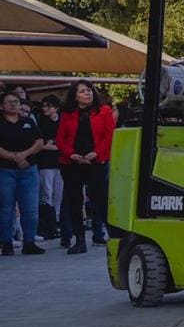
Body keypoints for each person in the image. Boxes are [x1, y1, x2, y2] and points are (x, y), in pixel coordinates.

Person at [56, 80, 116, 254]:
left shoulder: (104, 111)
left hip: (96, 161)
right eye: (82, 91)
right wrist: (71, 154)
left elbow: (109, 136)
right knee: (74, 201)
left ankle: (112, 236)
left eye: (89, 90)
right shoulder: (67, 114)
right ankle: (79, 240)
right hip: (71, 162)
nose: (87, 93)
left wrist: (95, 153)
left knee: (100, 199)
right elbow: (60, 139)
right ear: (75, 95)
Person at [0, 91, 45, 255]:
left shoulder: (28, 122)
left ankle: (29, 242)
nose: (13, 104)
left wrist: (24, 155)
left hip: (28, 170)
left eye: (16, 101)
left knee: (31, 208)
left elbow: (39, 142)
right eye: (9, 101)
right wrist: (14, 157)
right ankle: (6, 243)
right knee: (6, 209)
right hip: (5, 171)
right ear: (2, 106)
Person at [35, 96, 66, 244]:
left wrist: (54, 144)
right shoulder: (40, 121)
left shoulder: (62, 120)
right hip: (45, 164)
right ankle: (48, 223)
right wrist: (55, 145)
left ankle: (58, 222)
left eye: (48, 106)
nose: (45, 108)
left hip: (60, 163)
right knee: (46, 193)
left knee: (58, 194)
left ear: (56, 107)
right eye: (44, 106)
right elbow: (41, 144)